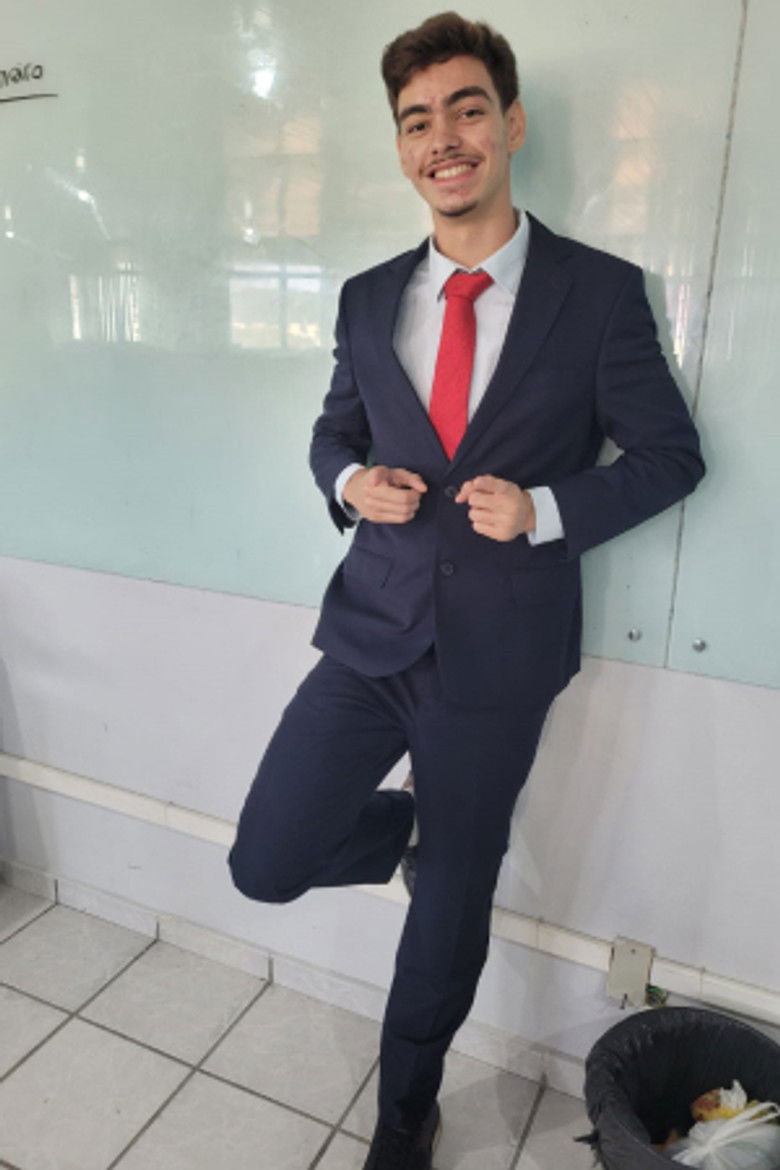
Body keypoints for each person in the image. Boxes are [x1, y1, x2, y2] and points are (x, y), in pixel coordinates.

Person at [228, 12, 705, 1169]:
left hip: (500, 657)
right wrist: (349, 483)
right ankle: (403, 826)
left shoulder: (599, 294)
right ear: (402, 148)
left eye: (466, 109)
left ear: (511, 125)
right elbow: (333, 433)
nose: (443, 137)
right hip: (372, 632)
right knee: (267, 859)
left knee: (450, 908)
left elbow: (670, 457)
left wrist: (546, 509)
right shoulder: (366, 296)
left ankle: (405, 1113)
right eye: (417, 121)